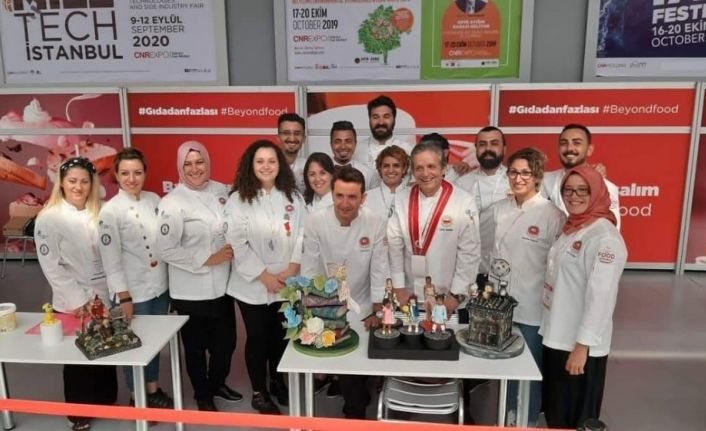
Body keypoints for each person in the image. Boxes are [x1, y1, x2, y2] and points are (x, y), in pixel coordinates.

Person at [155, 141, 240, 412]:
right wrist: (207, 258)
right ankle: (202, 395)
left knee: (226, 344)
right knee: (195, 348)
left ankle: (217, 384)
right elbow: (165, 248)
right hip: (190, 290)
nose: (195, 168)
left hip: (223, 286)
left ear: (207, 162)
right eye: (188, 164)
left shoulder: (222, 190)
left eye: (199, 161)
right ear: (180, 168)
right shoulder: (172, 202)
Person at [540, 165, 627, 429]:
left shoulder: (605, 238)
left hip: (579, 349)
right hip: (557, 336)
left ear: (597, 192)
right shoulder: (573, 228)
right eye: (568, 190)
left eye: (582, 190)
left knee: (577, 419)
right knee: (557, 414)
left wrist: (582, 347)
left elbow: (601, 299)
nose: (573, 196)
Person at [35, 157, 117, 431]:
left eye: (84, 181)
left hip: (102, 295)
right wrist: (80, 299)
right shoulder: (49, 218)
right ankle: (78, 412)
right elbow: (52, 266)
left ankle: (104, 399)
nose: (78, 187)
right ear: (62, 183)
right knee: (78, 357)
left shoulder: (100, 211)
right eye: (72, 181)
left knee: (104, 348)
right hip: (73, 301)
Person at [301, 166, 390, 419]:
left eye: (352, 197)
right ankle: (355, 410)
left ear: (363, 198)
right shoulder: (316, 221)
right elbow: (310, 267)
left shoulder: (375, 222)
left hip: (362, 299)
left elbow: (379, 268)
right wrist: (312, 309)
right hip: (326, 300)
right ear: (332, 194)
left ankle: (355, 400)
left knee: (359, 356)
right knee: (343, 357)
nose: (345, 203)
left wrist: (377, 307)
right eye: (339, 195)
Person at [225, 140, 306, 415]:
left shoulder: (293, 197)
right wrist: (263, 276)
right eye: (260, 161)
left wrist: (292, 268)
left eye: (271, 161)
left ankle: (277, 381)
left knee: (281, 336)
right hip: (252, 286)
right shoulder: (238, 200)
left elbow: (304, 234)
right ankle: (259, 392)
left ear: (279, 164)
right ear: (251, 165)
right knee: (258, 336)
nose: (266, 166)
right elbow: (237, 242)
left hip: (287, 281)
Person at [487, 147, 565, 426]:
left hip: (533, 308)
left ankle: (527, 421)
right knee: (504, 366)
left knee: (530, 372)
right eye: (513, 172)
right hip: (500, 305)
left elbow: (557, 268)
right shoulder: (499, 209)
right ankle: (506, 419)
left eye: (525, 173)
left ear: (537, 177)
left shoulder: (552, 215)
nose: (518, 178)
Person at [98, 148, 173, 409]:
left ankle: (152, 389)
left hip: (159, 287)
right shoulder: (110, 211)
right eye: (125, 173)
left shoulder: (154, 200)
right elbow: (110, 260)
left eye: (137, 172)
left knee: (153, 341)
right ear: (116, 175)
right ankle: (136, 397)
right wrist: (123, 297)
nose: (132, 179)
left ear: (145, 173)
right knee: (133, 344)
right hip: (132, 291)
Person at [387, 142, 481, 314]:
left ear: (444, 168)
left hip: (447, 299)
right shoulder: (401, 199)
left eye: (431, 166)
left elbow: (470, 253)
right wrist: (399, 288)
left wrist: (455, 296)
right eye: (419, 168)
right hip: (409, 297)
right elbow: (394, 246)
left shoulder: (463, 201)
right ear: (413, 171)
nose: (425, 173)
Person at [541, 124, 621, 230]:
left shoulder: (605, 186)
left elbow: (610, 229)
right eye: (564, 143)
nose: (569, 148)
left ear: (589, 150)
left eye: (577, 143)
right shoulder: (543, 181)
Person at [456, 126, 512, 277]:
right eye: (482, 144)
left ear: (504, 148)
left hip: (504, 269)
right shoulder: (462, 183)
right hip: (467, 268)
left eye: (494, 143)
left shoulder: (515, 183)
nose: (488, 149)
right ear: (476, 149)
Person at [354, 95, 415, 172]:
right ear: (369, 119)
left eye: (386, 117)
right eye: (376, 117)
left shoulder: (409, 150)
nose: (381, 122)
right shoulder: (356, 150)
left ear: (394, 119)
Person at [363, 145, 409, 221]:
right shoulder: (366, 197)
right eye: (386, 166)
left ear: (404, 168)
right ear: (380, 168)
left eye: (396, 166)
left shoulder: (413, 195)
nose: (391, 170)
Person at [329, 120, 379, 190]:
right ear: (331, 144)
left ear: (355, 144)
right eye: (338, 142)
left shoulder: (369, 175)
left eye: (348, 141)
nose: (343, 147)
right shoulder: (320, 174)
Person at [276, 113, 308, 193]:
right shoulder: (268, 166)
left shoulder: (308, 166)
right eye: (286, 133)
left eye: (297, 133)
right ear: (278, 137)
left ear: (304, 138)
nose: (292, 138)